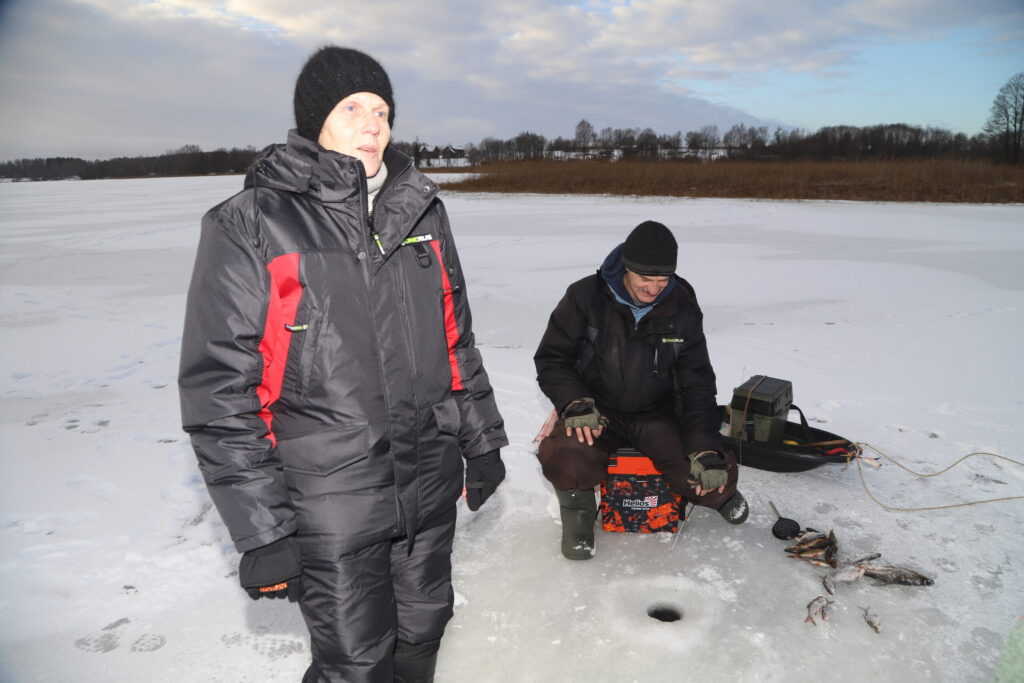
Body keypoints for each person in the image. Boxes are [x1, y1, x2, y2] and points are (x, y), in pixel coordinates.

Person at [178, 46, 508, 682]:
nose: (371, 123)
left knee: (423, 628)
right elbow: (221, 386)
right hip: (328, 495)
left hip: (428, 477)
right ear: (314, 119)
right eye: (352, 107)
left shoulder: (421, 213)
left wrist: (483, 441)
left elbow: (456, 342)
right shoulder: (252, 223)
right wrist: (262, 528)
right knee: (355, 661)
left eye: (382, 110)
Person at [533, 220, 747, 560]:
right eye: (645, 279)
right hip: (596, 410)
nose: (654, 289)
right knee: (567, 455)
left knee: (702, 468)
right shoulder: (585, 296)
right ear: (626, 268)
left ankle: (718, 497)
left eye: (662, 280)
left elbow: (696, 381)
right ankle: (578, 520)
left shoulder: (682, 304)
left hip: (658, 412)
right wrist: (574, 403)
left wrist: (705, 448)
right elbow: (553, 359)